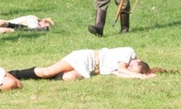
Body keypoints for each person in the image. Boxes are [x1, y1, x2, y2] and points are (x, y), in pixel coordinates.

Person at [9, 47, 162, 81]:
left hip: (89, 70)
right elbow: (123, 69)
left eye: (132, 69)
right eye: (133, 66)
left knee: (70, 78)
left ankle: (36, 78)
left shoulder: (124, 69)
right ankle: (13, 74)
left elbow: (122, 74)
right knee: (47, 72)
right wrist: (142, 77)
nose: (130, 67)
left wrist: (139, 76)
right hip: (86, 58)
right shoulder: (129, 53)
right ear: (138, 60)